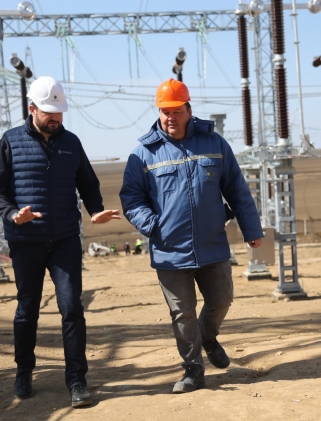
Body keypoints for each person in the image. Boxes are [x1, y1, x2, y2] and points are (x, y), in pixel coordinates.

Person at [119, 78, 263, 393]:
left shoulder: (215, 144)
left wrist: (251, 229)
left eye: (176, 111)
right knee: (182, 313)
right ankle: (193, 370)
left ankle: (207, 336)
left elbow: (237, 189)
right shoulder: (144, 154)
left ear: (188, 109)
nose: (170, 117)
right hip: (170, 250)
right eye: (165, 111)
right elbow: (131, 199)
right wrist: (154, 226)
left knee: (222, 300)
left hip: (212, 244)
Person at [0, 76, 121, 408]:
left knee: (72, 307)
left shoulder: (71, 143)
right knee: (27, 309)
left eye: (59, 112)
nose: (56, 118)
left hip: (64, 240)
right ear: (32, 109)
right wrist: (13, 214)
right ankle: (24, 372)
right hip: (25, 241)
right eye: (49, 112)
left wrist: (96, 211)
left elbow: (88, 184)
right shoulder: (10, 141)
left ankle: (77, 381)